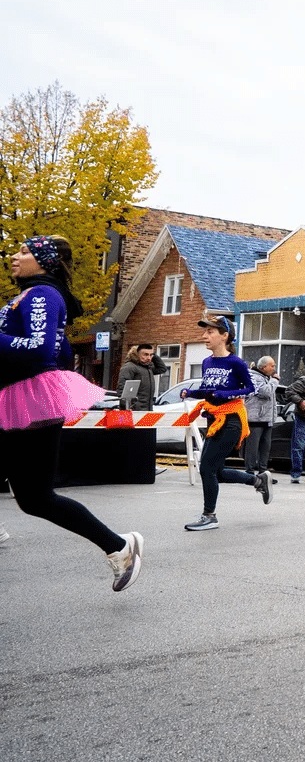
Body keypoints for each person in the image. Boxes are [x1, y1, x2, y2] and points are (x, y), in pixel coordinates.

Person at [0, 235, 142, 591]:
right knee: (35, 499)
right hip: (18, 399)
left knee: (37, 497)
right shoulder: (31, 295)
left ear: (44, 262)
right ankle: (118, 546)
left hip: (28, 402)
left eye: (23, 252)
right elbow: (59, 353)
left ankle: (119, 547)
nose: (13, 256)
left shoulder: (42, 295)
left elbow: (39, 349)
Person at [182, 315, 272, 529]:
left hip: (231, 421)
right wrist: (191, 392)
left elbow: (250, 388)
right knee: (216, 472)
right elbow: (210, 392)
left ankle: (209, 516)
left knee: (206, 469)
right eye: (205, 332)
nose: (205, 336)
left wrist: (227, 394)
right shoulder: (207, 362)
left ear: (224, 336)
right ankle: (258, 481)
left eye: (210, 332)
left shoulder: (236, 363)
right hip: (213, 419)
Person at [243, 356, 279, 478]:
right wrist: (274, 381)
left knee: (265, 448)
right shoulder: (253, 377)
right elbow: (265, 392)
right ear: (263, 367)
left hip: (267, 419)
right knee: (252, 448)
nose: (274, 368)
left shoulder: (267, 378)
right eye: (272, 366)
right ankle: (249, 472)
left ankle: (263, 473)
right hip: (255, 419)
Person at [116, 343, 166, 410]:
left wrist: (153, 355)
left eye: (150, 355)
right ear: (137, 354)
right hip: (134, 410)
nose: (148, 358)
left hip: (147, 409)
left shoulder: (148, 368)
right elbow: (122, 389)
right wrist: (127, 407)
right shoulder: (129, 367)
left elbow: (162, 369)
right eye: (145, 354)